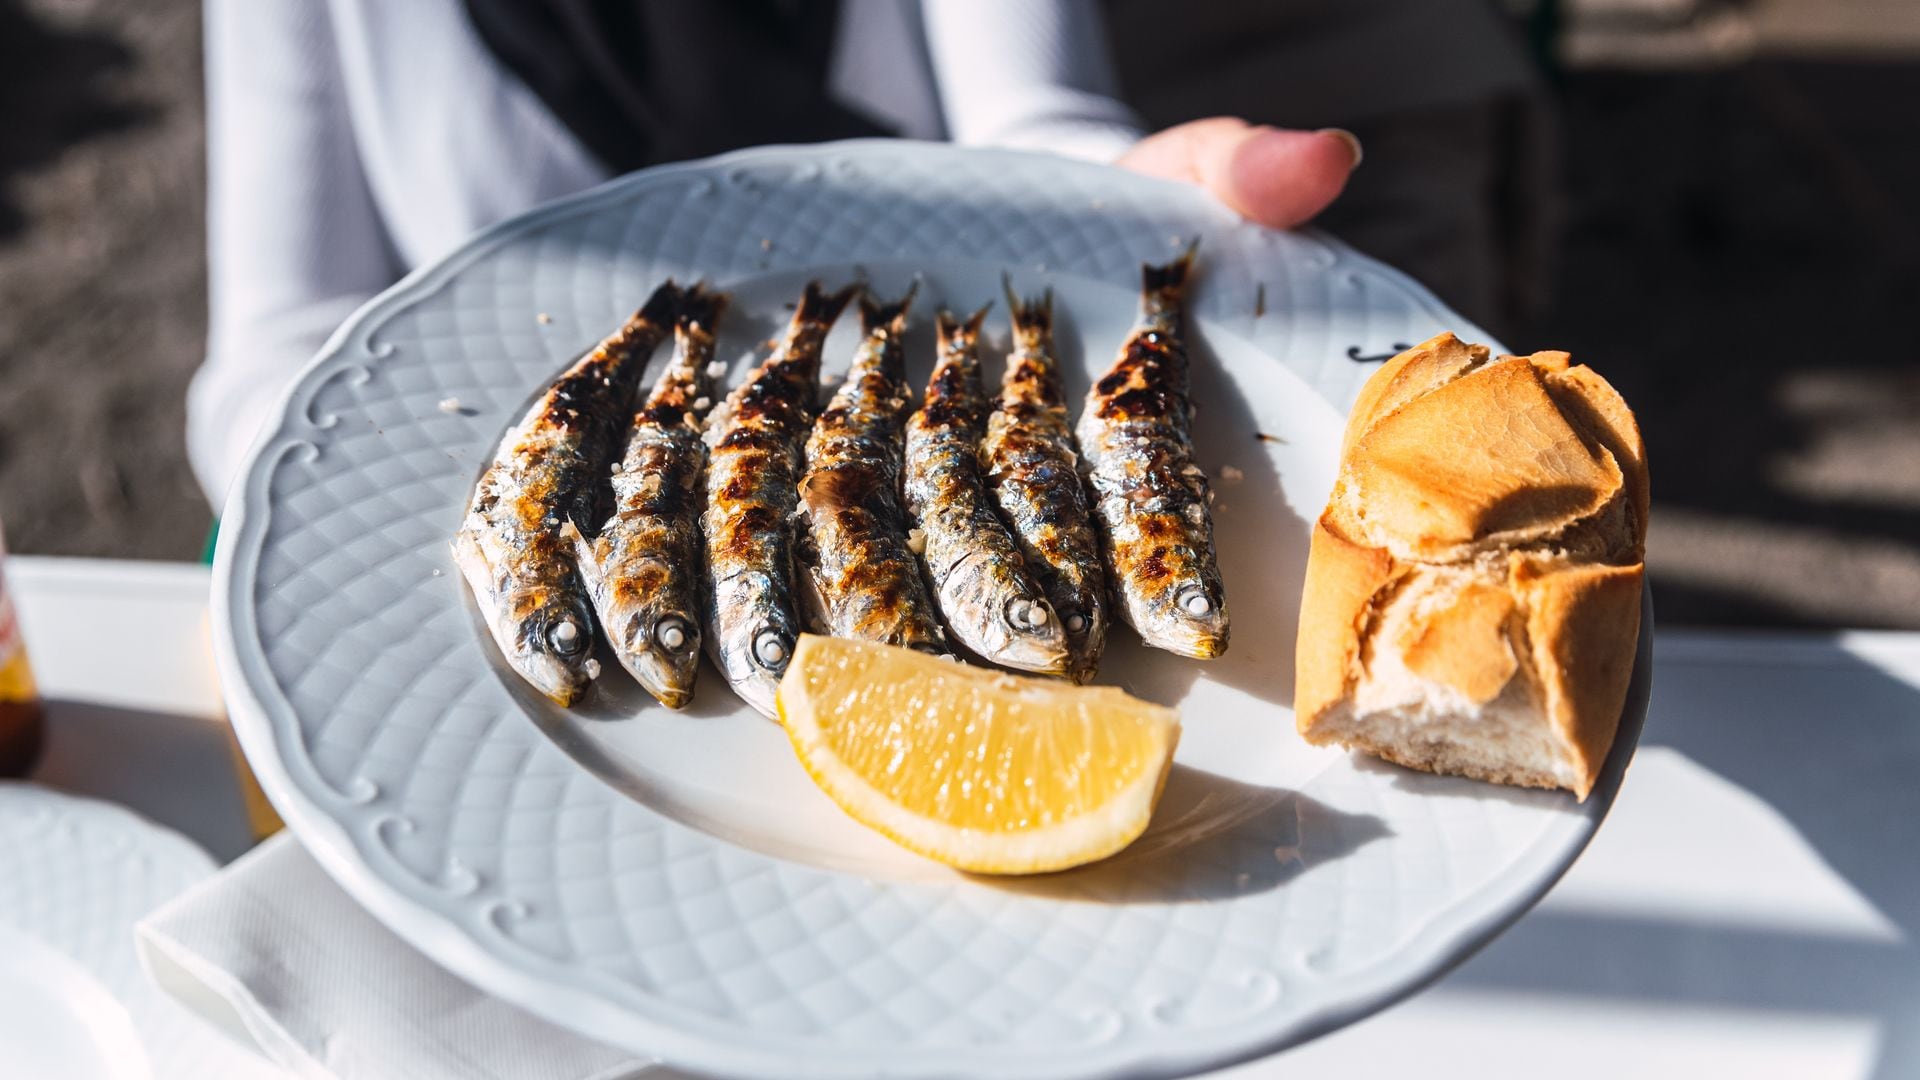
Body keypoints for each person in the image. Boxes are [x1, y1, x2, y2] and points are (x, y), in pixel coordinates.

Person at [192, 0, 1532, 509]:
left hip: (944, 488)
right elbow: (273, 346)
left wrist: (1125, 207)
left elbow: (1028, 121)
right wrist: (367, 494)